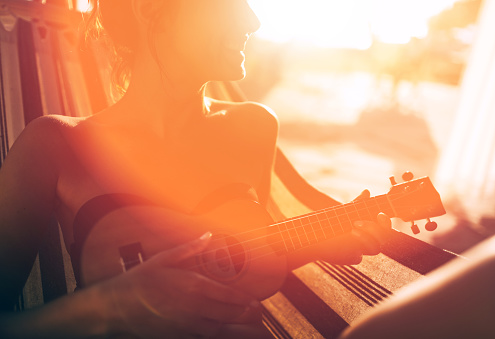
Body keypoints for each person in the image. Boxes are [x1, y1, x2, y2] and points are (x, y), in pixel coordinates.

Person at [0, 0, 391, 337]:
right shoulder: (55, 144)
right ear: (149, 7)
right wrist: (111, 306)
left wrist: (319, 243)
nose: (252, 21)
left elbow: (237, 257)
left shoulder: (255, 127)